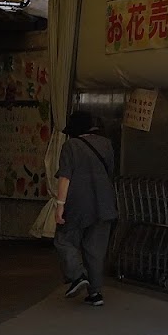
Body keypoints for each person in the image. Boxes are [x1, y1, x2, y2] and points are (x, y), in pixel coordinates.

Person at [54, 110, 117, 307]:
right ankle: (95, 294)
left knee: (64, 239)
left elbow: (65, 177)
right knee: (95, 250)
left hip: (78, 203)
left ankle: (77, 275)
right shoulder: (106, 144)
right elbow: (110, 172)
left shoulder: (70, 146)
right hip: (105, 203)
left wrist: (60, 205)